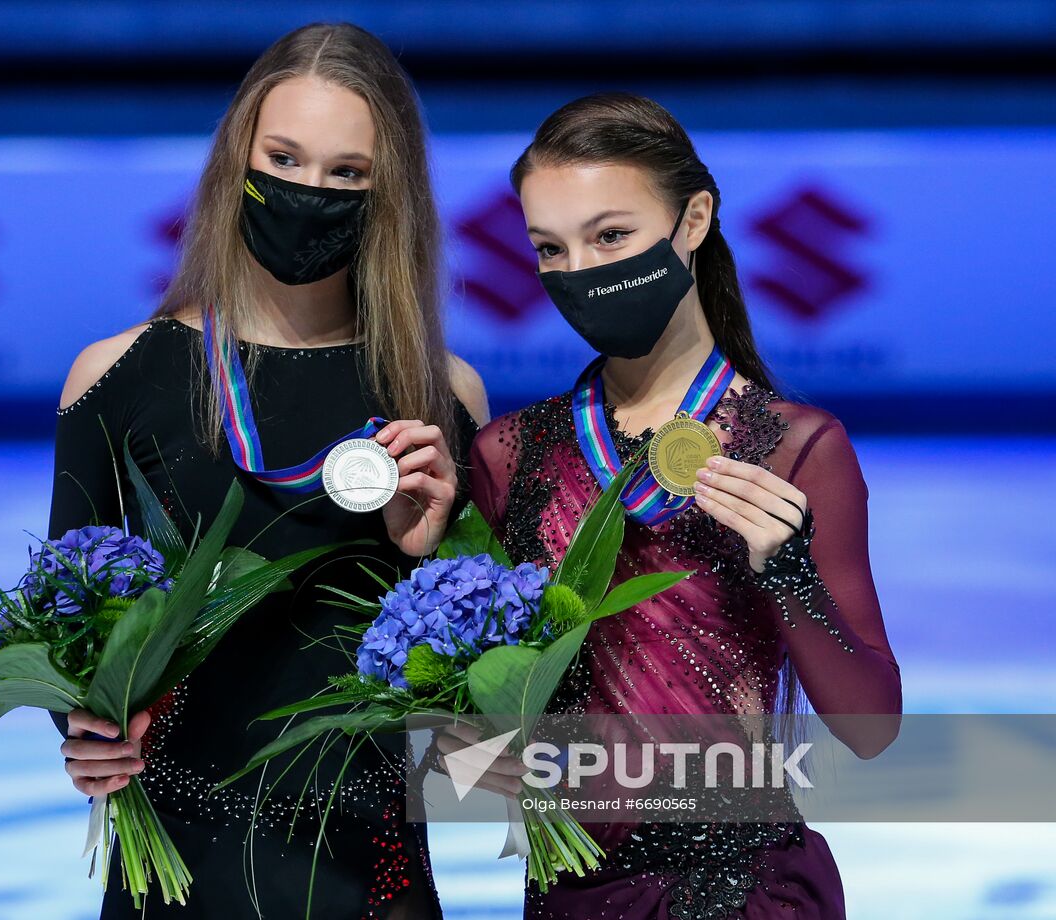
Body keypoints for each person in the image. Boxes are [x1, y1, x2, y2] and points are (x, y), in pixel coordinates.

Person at [46, 22, 489, 919]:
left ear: (388, 193)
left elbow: (472, 707)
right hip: (176, 858)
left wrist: (425, 554)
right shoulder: (115, 379)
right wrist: (83, 733)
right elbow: (71, 623)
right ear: (235, 162)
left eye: (347, 174)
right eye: (283, 158)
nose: (308, 192)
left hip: (373, 868)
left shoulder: (441, 392)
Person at [454, 92, 901, 918]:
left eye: (611, 235)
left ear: (694, 219)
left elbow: (872, 729)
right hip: (576, 895)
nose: (581, 270)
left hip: (752, 890)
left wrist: (790, 576)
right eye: (551, 247)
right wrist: (470, 748)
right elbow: (472, 739)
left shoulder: (797, 447)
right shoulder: (509, 456)